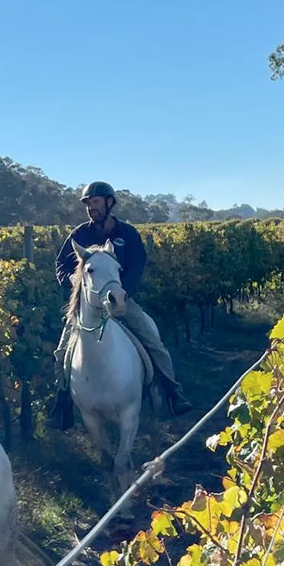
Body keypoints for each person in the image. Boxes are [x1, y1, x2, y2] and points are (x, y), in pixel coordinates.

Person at [50, 180, 192, 421]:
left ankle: (172, 392)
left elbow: (137, 265)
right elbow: (61, 265)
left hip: (121, 299)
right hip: (87, 303)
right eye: (88, 204)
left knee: (153, 342)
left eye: (95, 202)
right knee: (62, 350)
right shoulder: (79, 234)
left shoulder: (127, 234)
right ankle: (63, 400)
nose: (91, 208)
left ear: (109, 202)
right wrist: (73, 280)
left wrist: (123, 293)